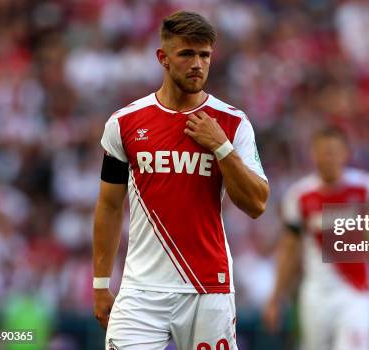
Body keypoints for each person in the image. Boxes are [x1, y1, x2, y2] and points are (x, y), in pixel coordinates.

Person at [92, 11, 269, 350]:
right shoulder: (125, 123)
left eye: (205, 55)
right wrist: (101, 284)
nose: (197, 64)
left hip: (207, 287)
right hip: (140, 290)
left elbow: (257, 204)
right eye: (187, 53)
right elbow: (109, 205)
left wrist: (221, 147)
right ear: (163, 57)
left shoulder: (232, 124)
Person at [263, 127, 369, 350]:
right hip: (316, 293)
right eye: (323, 152)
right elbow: (289, 249)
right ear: (313, 155)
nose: (328, 158)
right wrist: (276, 297)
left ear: (346, 153)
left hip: (357, 292)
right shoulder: (300, 195)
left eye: (333, 152)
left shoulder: (367, 190)